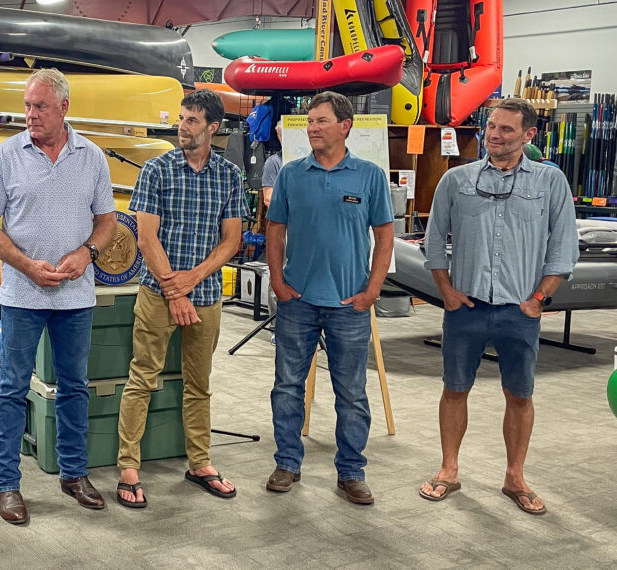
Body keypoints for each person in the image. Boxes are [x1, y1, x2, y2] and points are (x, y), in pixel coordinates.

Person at [418, 99, 578, 515]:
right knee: (455, 389)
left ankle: (515, 477)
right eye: (491, 126)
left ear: (528, 135)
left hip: (519, 310)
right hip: (465, 307)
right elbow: (434, 242)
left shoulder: (549, 182)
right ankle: (448, 469)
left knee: (519, 394)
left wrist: (539, 298)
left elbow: (564, 246)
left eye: (506, 129)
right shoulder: (457, 180)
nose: (494, 135)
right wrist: (446, 292)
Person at [0, 68, 117, 524]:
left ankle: (74, 474)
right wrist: (26, 266)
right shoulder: (6, 156)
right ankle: (7, 483)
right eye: (27, 106)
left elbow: (107, 222)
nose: (31, 115)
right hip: (21, 293)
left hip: (75, 296)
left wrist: (87, 252)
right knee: (12, 388)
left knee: (75, 386)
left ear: (64, 107)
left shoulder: (92, 157)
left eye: (40, 106)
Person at [115, 89, 247, 508]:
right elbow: (145, 235)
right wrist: (174, 289)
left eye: (192, 120)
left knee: (199, 385)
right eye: (181, 118)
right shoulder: (156, 170)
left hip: (205, 295)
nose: (182, 126)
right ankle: (128, 466)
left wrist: (193, 279)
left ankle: (200, 462)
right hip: (158, 295)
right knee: (142, 379)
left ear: (212, 128)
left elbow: (232, 240)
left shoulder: (229, 175)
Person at [264, 91, 394, 505]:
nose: (312, 128)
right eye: (310, 121)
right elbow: (275, 230)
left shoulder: (369, 176)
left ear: (345, 126)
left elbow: (385, 236)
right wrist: (277, 280)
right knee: (287, 387)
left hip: (348, 304)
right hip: (297, 300)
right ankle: (287, 463)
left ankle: (351, 471)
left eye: (320, 121)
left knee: (352, 392)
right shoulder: (291, 173)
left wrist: (373, 289)